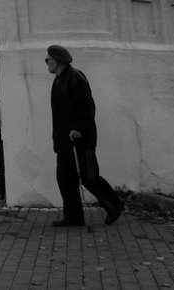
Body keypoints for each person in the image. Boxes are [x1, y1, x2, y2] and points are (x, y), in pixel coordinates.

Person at [46, 44, 124, 227]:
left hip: (81, 140)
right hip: (65, 142)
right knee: (65, 178)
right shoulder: (58, 80)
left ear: (58, 61)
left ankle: (115, 206)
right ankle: (73, 216)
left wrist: (78, 128)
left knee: (89, 177)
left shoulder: (75, 78)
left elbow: (87, 108)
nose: (46, 63)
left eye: (48, 59)